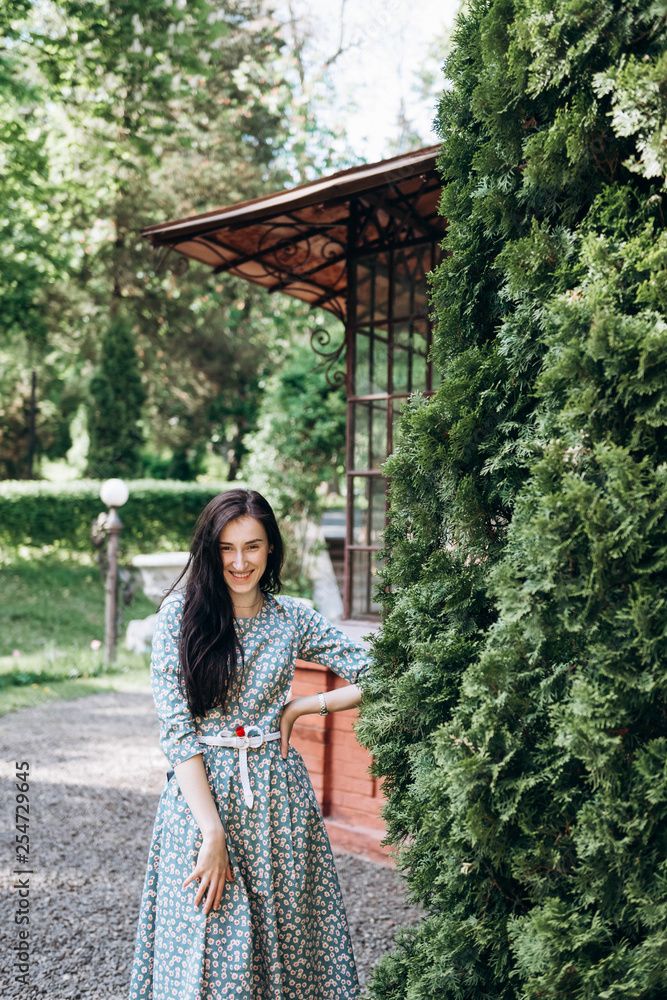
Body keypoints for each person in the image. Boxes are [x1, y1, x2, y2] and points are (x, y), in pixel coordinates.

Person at [127, 488, 372, 1000]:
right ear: (208, 551)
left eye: (253, 547)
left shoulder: (292, 618)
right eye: (226, 549)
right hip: (200, 805)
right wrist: (211, 831)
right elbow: (177, 732)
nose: (240, 562)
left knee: (287, 949)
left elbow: (382, 672)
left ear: (272, 550)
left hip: (279, 804)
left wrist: (308, 706)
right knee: (207, 955)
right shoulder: (179, 617)